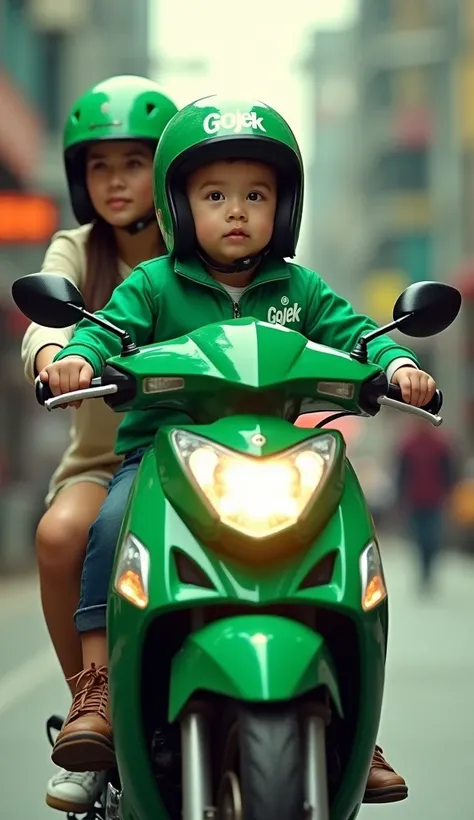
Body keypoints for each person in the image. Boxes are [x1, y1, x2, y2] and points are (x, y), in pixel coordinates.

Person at [38, 95, 438, 805]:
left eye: (256, 194)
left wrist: (396, 364)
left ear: (284, 207)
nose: (236, 210)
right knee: (111, 519)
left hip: (285, 456)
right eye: (214, 194)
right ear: (178, 205)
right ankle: (96, 689)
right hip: (163, 460)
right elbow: (100, 333)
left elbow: (360, 335)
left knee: (354, 536)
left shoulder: (299, 287)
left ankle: (353, 707)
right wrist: (77, 357)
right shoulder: (153, 284)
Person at [21, 74, 178, 814]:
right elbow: (44, 315)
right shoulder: (78, 249)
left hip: (214, 458)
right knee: (60, 535)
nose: (115, 181)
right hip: (103, 462)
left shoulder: (202, 243)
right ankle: (93, 715)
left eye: (134, 162)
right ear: (80, 178)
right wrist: (54, 357)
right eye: (98, 166)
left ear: (169, 165)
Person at [396, 417, 457, 591]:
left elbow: (449, 472)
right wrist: (401, 497)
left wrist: (449, 493)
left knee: (432, 538)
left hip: (434, 499)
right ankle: (424, 571)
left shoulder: (440, 446)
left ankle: (428, 570)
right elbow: (401, 474)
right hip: (415, 499)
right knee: (420, 538)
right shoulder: (409, 446)